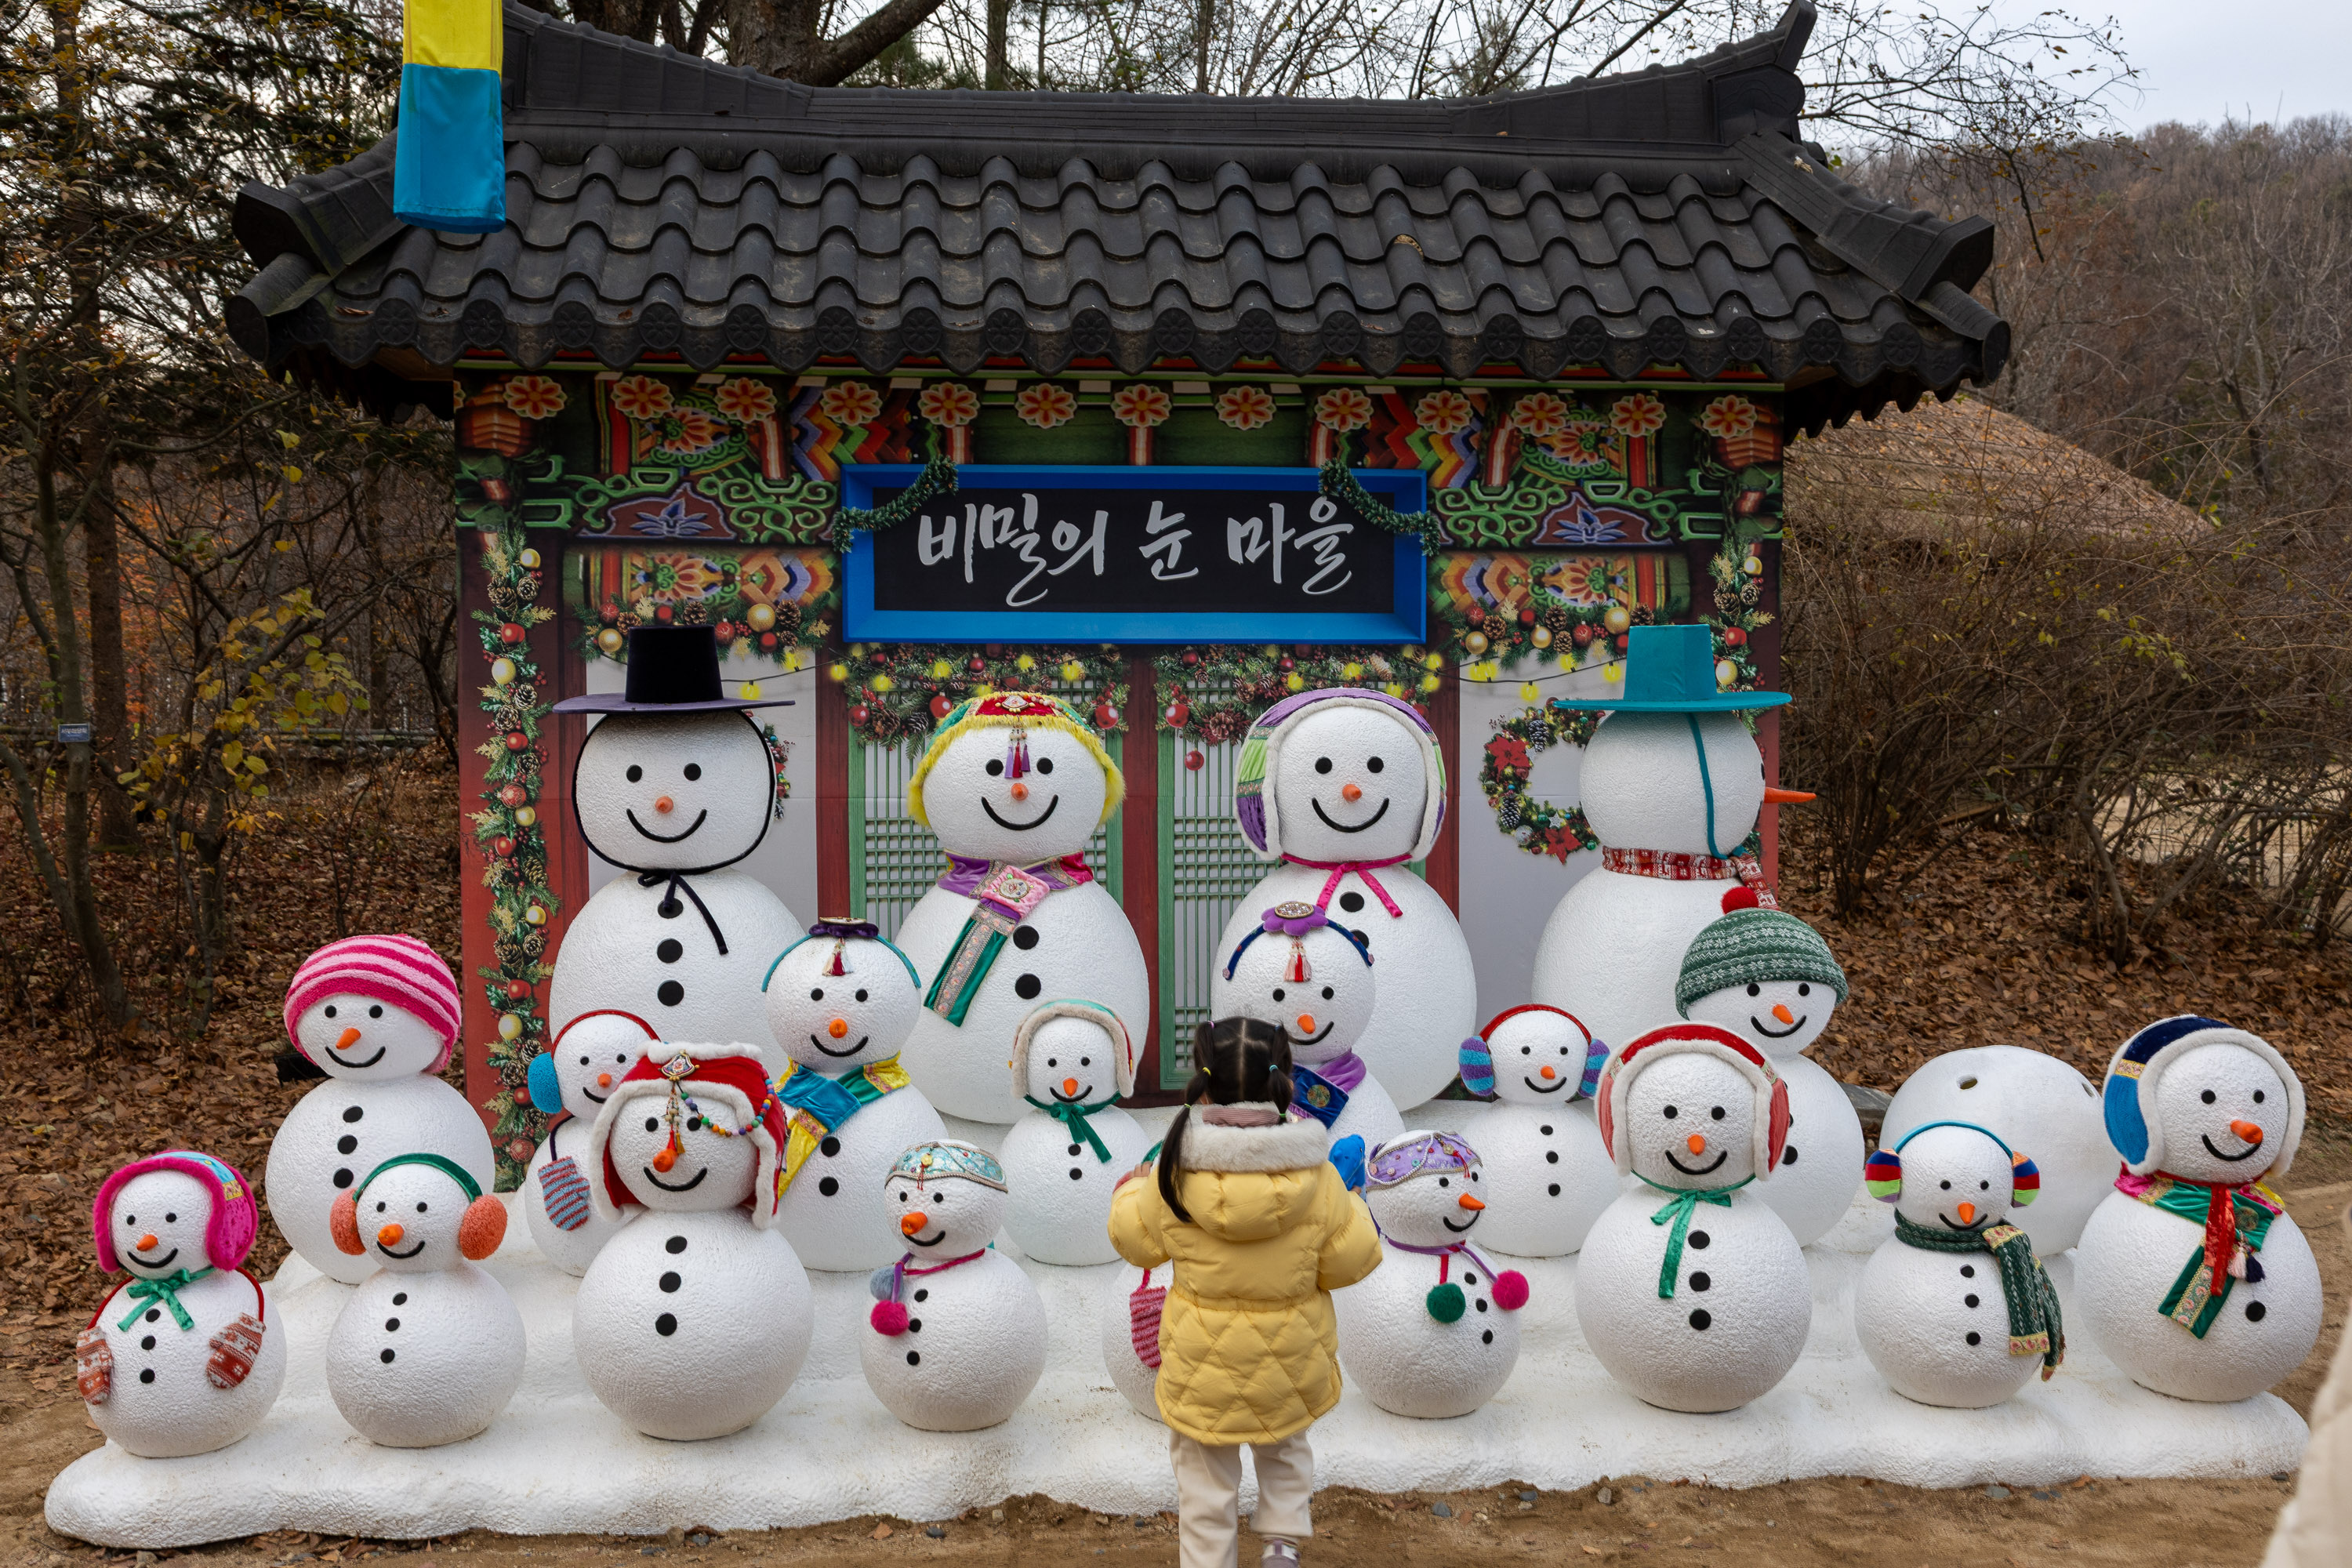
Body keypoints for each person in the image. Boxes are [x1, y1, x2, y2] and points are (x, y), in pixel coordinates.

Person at [1111, 1016, 1383, 1568]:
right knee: (1285, 1449)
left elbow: (1136, 1243)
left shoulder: (1173, 1172)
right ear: (1284, 1080)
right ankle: (1281, 1545)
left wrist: (1131, 1189)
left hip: (1202, 1366)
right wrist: (1353, 1201)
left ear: (1204, 1084)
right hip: (1291, 1359)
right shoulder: (1317, 1175)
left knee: (1204, 1478)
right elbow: (1351, 1259)